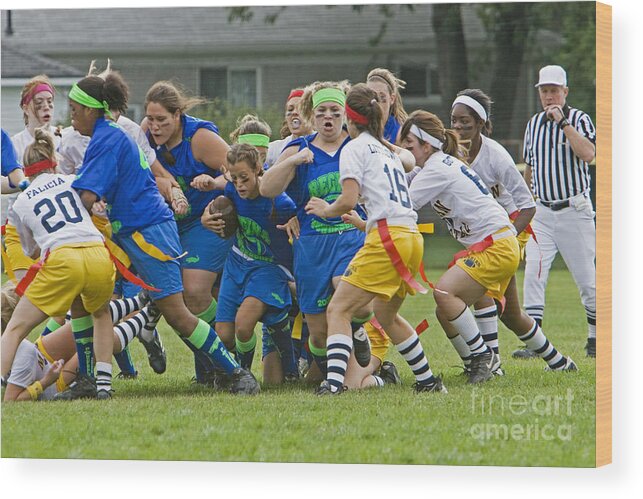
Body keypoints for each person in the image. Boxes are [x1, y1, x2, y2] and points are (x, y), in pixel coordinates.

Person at [68, 74, 259, 394]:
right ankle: (89, 379)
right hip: (128, 232)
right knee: (81, 296)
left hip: (149, 233)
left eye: (74, 110)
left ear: (92, 110)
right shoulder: (108, 134)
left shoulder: (107, 139)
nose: (71, 117)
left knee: (179, 315)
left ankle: (236, 373)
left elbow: (85, 198)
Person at [401, 110, 577, 384]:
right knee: (449, 311)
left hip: (496, 245)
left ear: (426, 145)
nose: (405, 151)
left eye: (409, 145)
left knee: (445, 293)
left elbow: (402, 206)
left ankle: (485, 357)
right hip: (493, 245)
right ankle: (481, 364)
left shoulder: (436, 168)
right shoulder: (434, 164)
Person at [305, 83, 444, 394]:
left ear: (349, 120)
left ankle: (333, 384)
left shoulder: (354, 148)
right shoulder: (385, 149)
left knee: (338, 309)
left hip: (388, 238)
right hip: (410, 235)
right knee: (386, 314)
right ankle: (427, 381)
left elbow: (348, 198)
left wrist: (325, 210)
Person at [259, 81, 372, 378]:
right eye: (322, 111)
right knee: (319, 334)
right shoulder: (300, 148)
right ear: (312, 114)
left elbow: (405, 160)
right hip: (311, 244)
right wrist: (294, 160)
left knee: (347, 294)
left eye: (335, 111)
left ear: (345, 114)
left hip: (350, 237)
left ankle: (358, 332)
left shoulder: (358, 144)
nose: (329, 117)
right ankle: (330, 372)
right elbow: (266, 187)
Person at [0, 129, 116, 399]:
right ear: (54, 161)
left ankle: (1, 382)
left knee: (16, 328)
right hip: (98, 252)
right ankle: (103, 386)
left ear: (25, 172)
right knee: (100, 314)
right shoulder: (73, 180)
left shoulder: (21, 201)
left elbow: (31, 251)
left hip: (64, 258)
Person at [143, 80, 235, 385]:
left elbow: (243, 173)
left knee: (193, 293)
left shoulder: (201, 139)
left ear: (179, 115)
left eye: (162, 120)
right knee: (176, 302)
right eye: (151, 119)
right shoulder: (145, 133)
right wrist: (166, 186)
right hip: (171, 224)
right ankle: (212, 368)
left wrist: (214, 186)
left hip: (208, 220)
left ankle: (225, 358)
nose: (155, 126)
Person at [450, 89, 535, 372]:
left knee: (480, 288)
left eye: (465, 121)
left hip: (512, 227)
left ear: (482, 124)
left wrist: (505, 238)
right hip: (481, 235)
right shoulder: (451, 155)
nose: (459, 127)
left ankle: (491, 365)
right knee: (511, 315)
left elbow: (527, 207)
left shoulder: (496, 155)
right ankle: (560, 362)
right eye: (454, 121)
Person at [201, 143, 298, 386]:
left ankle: (242, 375)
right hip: (237, 263)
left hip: (269, 268)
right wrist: (206, 218)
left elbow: (301, 218)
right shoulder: (232, 190)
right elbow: (221, 187)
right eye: (234, 178)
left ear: (258, 169)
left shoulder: (280, 203)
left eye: (244, 177)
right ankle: (237, 367)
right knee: (224, 335)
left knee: (243, 326)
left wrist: (298, 220)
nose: (239, 184)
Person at [519, 65, 597, 358]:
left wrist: (563, 122)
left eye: (554, 90)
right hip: (542, 211)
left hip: (573, 210)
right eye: (544, 90)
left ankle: (594, 338)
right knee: (534, 273)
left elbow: (589, 154)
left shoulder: (578, 119)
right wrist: (525, 202)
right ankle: (535, 342)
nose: (549, 96)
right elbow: (529, 168)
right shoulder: (533, 124)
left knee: (587, 278)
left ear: (565, 92)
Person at [2, 279, 161, 402]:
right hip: (53, 381)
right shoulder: (24, 354)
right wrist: (45, 381)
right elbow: (11, 401)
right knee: (100, 338)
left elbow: (58, 318)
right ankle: (149, 312)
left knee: (86, 322)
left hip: (39, 355)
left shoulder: (23, 348)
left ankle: (140, 302)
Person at [5, 76, 61, 282]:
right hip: (21, 227)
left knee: (64, 299)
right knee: (25, 295)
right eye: (39, 103)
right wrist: (24, 183)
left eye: (50, 102)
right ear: (26, 107)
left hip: (56, 225)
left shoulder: (63, 137)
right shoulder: (14, 144)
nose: (46, 107)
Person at [265, 88, 313, 169]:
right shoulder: (275, 149)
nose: (294, 112)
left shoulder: (323, 143)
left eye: (300, 108)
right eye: (290, 109)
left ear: (312, 114)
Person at [366, 68, 408, 144]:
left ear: (392, 99)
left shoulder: (401, 134)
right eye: (371, 96)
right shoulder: (357, 128)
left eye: (382, 97)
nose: (376, 103)